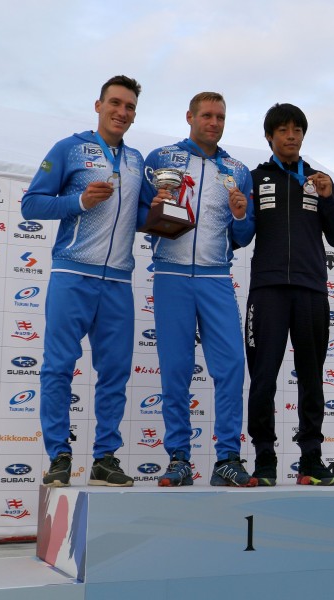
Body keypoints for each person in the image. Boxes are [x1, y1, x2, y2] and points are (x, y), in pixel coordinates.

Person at [21, 75, 144, 487]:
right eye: (115, 103)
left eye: (129, 107)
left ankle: (105, 458)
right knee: (58, 368)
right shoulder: (69, 148)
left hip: (118, 283)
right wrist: (79, 201)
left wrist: (162, 209)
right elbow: (30, 204)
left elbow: (139, 218)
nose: (121, 112)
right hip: (72, 273)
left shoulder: (137, 161)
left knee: (115, 374)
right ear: (98, 105)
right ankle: (59, 455)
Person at [139, 92, 255, 487]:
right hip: (171, 273)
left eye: (220, 116)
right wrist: (155, 205)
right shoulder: (161, 158)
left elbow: (242, 234)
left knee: (231, 367)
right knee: (175, 369)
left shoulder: (237, 170)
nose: (214, 122)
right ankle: (178, 458)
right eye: (207, 115)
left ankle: (227, 458)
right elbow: (140, 214)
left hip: (216, 276)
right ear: (189, 116)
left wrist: (240, 215)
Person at [246, 103, 334, 486]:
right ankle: (264, 459)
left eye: (297, 130)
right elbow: (240, 236)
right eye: (284, 129)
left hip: (310, 290)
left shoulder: (319, 179)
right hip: (267, 291)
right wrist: (240, 212)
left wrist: (329, 197)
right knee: (262, 377)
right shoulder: (255, 178)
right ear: (270, 136)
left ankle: (311, 459)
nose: (291, 136)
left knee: (312, 377)